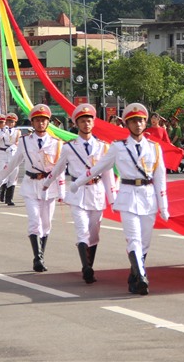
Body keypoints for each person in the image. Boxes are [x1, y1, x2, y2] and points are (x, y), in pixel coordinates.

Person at [71, 103, 169, 296]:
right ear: (127, 124)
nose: (138, 125)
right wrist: (78, 183)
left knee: (145, 242)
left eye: (140, 121)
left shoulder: (154, 148)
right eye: (133, 122)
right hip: (128, 196)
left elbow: (160, 179)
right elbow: (99, 168)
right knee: (133, 239)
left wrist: (164, 207)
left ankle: (134, 275)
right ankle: (142, 277)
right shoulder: (118, 147)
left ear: (145, 122)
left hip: (148, 197)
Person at [44, 103, 117, 283]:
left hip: (97, 192)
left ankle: (90, 264)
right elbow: (58, 167)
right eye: (82, 121)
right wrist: (47, 183)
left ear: (93, 123)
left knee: (94, 233)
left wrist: (113, 199)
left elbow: (108, 175)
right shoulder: (70, 147)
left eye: (89, 121)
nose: (86, 124)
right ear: (76, 124)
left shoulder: (103, 147)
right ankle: (86, 267)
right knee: (82, 231)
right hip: (77, 194)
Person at [0, 104, 62, 272]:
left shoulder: (56, 143)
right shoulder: (25, 141)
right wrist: (0, 178)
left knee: (46, 224)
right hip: (31, 185)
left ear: (48, 123)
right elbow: (15, 161)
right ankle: (37, 258)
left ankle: (42, 253)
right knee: (35, 222)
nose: (41, 123)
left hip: (49, 186)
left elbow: (59, 168)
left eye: (43, 120)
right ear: (32, 123)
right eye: (37, 120)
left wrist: (62, 191)